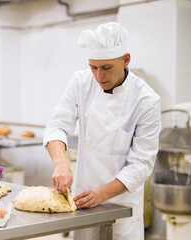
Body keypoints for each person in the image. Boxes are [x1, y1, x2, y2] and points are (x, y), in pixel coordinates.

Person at [43, 22, 161, 240]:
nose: (99, 76)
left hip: (122, 206)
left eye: (106, 68)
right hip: (83, 201)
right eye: (93, 67)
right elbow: (57, 126)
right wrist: (61, 164)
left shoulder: (146, 100)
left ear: (126, 60)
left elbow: (141, 164)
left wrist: (101, 195)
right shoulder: (81, 83)